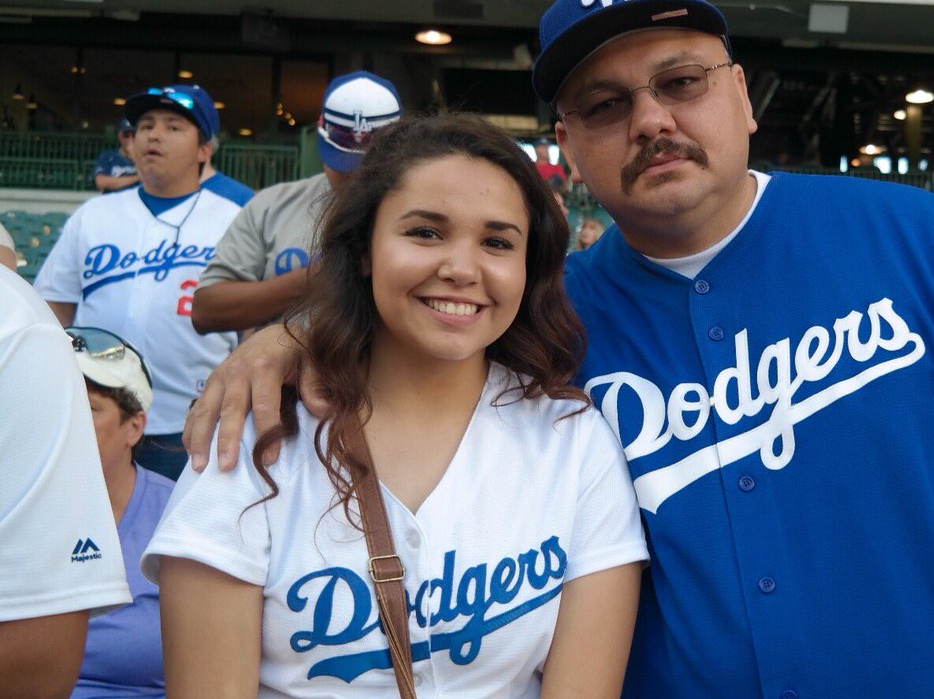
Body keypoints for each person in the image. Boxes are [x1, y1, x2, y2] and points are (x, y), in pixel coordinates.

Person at [185, 0, 934, 698]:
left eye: (680, 81)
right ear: (571, 143)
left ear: (744, 97)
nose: (651, 121)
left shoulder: (915, 237)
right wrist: (297, 336)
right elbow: (418, 319)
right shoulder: (548, 319)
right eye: (605, 105)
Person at [145, 114, 647, 696]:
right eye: (425, 233)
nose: (461, 269)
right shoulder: (253, 435)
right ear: (363, 251)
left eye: (497, 242)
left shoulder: (573, 438)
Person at [34, 83, 248, 480]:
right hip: (99, 418)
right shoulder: (93, 215)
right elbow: (52, 309)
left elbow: (252, 325)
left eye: (173, 126)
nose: (154, 134)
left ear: (204, 149)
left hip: (196, 419)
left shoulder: (233, 219)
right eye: (145, 125)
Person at [0, 265, 130, 698]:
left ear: (136, 426)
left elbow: (39, 672)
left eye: (92, 406)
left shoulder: (18, 325)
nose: (79, 419)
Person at [191, 71, 403, 334]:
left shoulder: (425, 213)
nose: (354, 175)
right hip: (288, 372)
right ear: (320, 134)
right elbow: (206, 311)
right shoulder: (273, 205)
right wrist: (320, 278)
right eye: (342, 163)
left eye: (369, 164)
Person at [69, 326, 172, 698]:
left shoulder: (177, 515)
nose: (65, 418)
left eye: (88, 407)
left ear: (134, 427)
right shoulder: (12, 506)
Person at [93, 119, 139, 193]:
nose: (130, 139)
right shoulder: (108, 156)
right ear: (120, 136)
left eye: (134, 135)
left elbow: (151, 181)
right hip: (113, 201)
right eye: (126, 135)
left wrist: (135, 157)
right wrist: (138, 178)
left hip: (136, 202)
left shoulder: (145, 157)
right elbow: (101, 182)